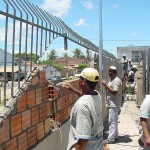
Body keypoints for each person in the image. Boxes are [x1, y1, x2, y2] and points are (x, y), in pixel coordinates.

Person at [63, 68, 103, 150]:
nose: (78, 80)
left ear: (84, 81)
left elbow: (83, 139)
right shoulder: (97, 95)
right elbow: (87, 99)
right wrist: (74, 90)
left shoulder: (82, 106)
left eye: (80, 78)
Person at [102, 66, 122, 144]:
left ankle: (111, 139)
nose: (110, 73)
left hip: (114, 104)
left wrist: (106, 84)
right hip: (111, 103)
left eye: (112, 71)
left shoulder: (116, 80)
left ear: (115, 72)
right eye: (109, 71)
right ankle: (115, 136)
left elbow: (115, 91)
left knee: (111, 121)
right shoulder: (111, 80)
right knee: (114, 120)